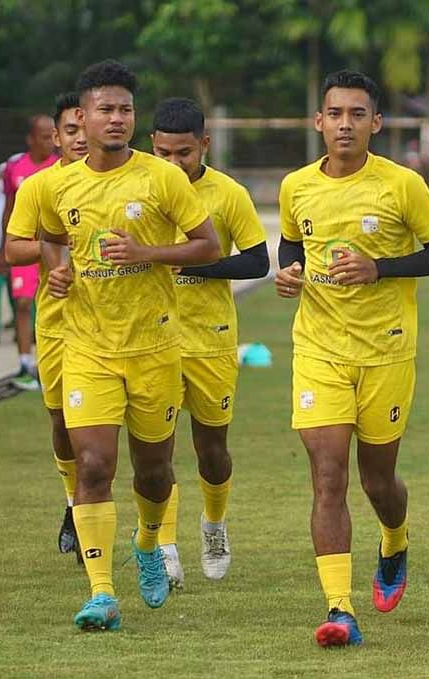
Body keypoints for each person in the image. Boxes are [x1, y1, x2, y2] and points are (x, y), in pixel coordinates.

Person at [38, 59, 220, 632]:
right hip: (86, 346)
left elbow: (208, 247)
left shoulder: (161, 179)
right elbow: (47, 238)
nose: (116, 119)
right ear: (82, 118)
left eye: (124, 110)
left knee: (154, 471)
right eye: (105, 110)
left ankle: (146, 543)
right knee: (93, 463)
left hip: (155, 347)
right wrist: (57, 271)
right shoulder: (56, 184)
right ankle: (100, 592)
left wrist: (149, 253)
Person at [275, 69, 429, 647]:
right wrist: (290, 273)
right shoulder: (296, 185)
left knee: (378, 482)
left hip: (387, 351)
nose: (345, 124)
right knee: (328, 475)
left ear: (375, 122)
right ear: (318, 121)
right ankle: (339, 607)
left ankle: (395, 537)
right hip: (320, 349)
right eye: (335, 114)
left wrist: (381, 268)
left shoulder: (402, 185)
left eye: (357, 114)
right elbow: (292, 244)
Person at [151, 97, 270, 586]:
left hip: (212, 340)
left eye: (184, 153)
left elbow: (258, 262)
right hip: (153, 340)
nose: (174, 164)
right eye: (164, 154)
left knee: (211, 450)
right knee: (154, 451)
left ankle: (214, 525)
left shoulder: (229, 194)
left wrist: (197, 264)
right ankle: (163, 546)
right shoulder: (140, 189)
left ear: (204, 144)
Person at [4, 92, 89, 560]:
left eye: (84, 126)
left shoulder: (126, 179)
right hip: (57, 323)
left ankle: (108, 517)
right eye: (69, 131)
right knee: (61, 419)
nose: (79, 137)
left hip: (119, 326)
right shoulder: (40, 186)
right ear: (55, 137)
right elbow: (12, 249)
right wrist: (52, 247)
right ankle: (74, 502)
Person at [1, 114, 58, 388]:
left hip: (55, 247)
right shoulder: (15, 167)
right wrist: (4, 246)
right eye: (45, 136)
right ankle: (25, 362)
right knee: (23, 304)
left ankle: (51, 362)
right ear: (31, 139)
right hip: (25, 247)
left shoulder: (60, 167)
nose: (51, 142)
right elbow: (9, 208)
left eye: (53, 135)